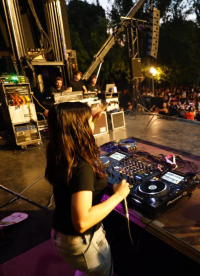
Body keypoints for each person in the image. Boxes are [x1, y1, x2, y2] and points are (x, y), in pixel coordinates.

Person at [46, 102, 130, 275]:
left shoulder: (59, 151)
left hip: (60, 235)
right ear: (79, 127)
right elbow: (82, 222)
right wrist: (118, 196)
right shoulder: (82, 167)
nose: (93, 123)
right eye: (88, 121)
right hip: (82, 243)